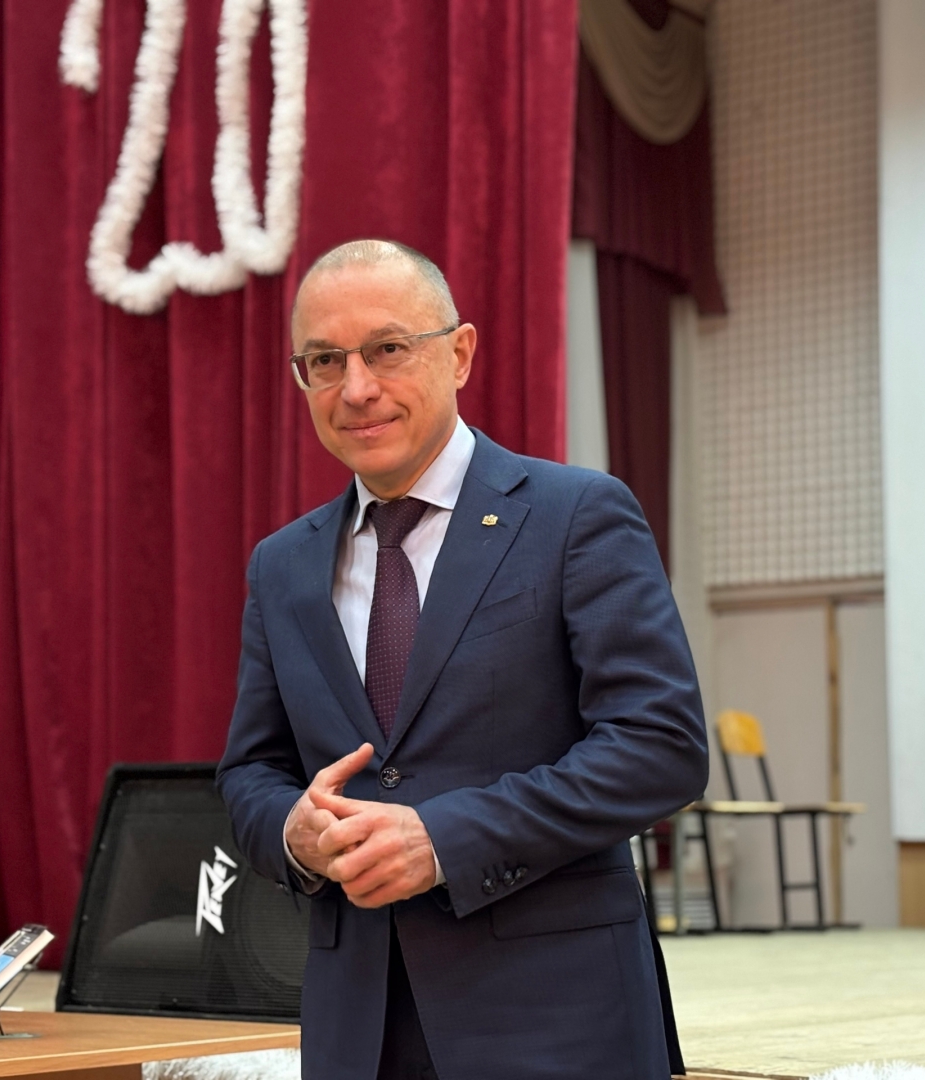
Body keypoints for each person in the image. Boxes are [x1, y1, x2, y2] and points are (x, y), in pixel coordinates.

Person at [217, 240, 707, 1080]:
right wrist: (295, 833)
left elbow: (660, 747)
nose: (356, 388)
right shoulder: (282, 565)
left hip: (557, 1019)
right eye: (324, 362)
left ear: (460, 353)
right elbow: (249, 773)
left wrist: (443, 839)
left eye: (387, 348)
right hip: (358, 1029)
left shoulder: (575, 515)